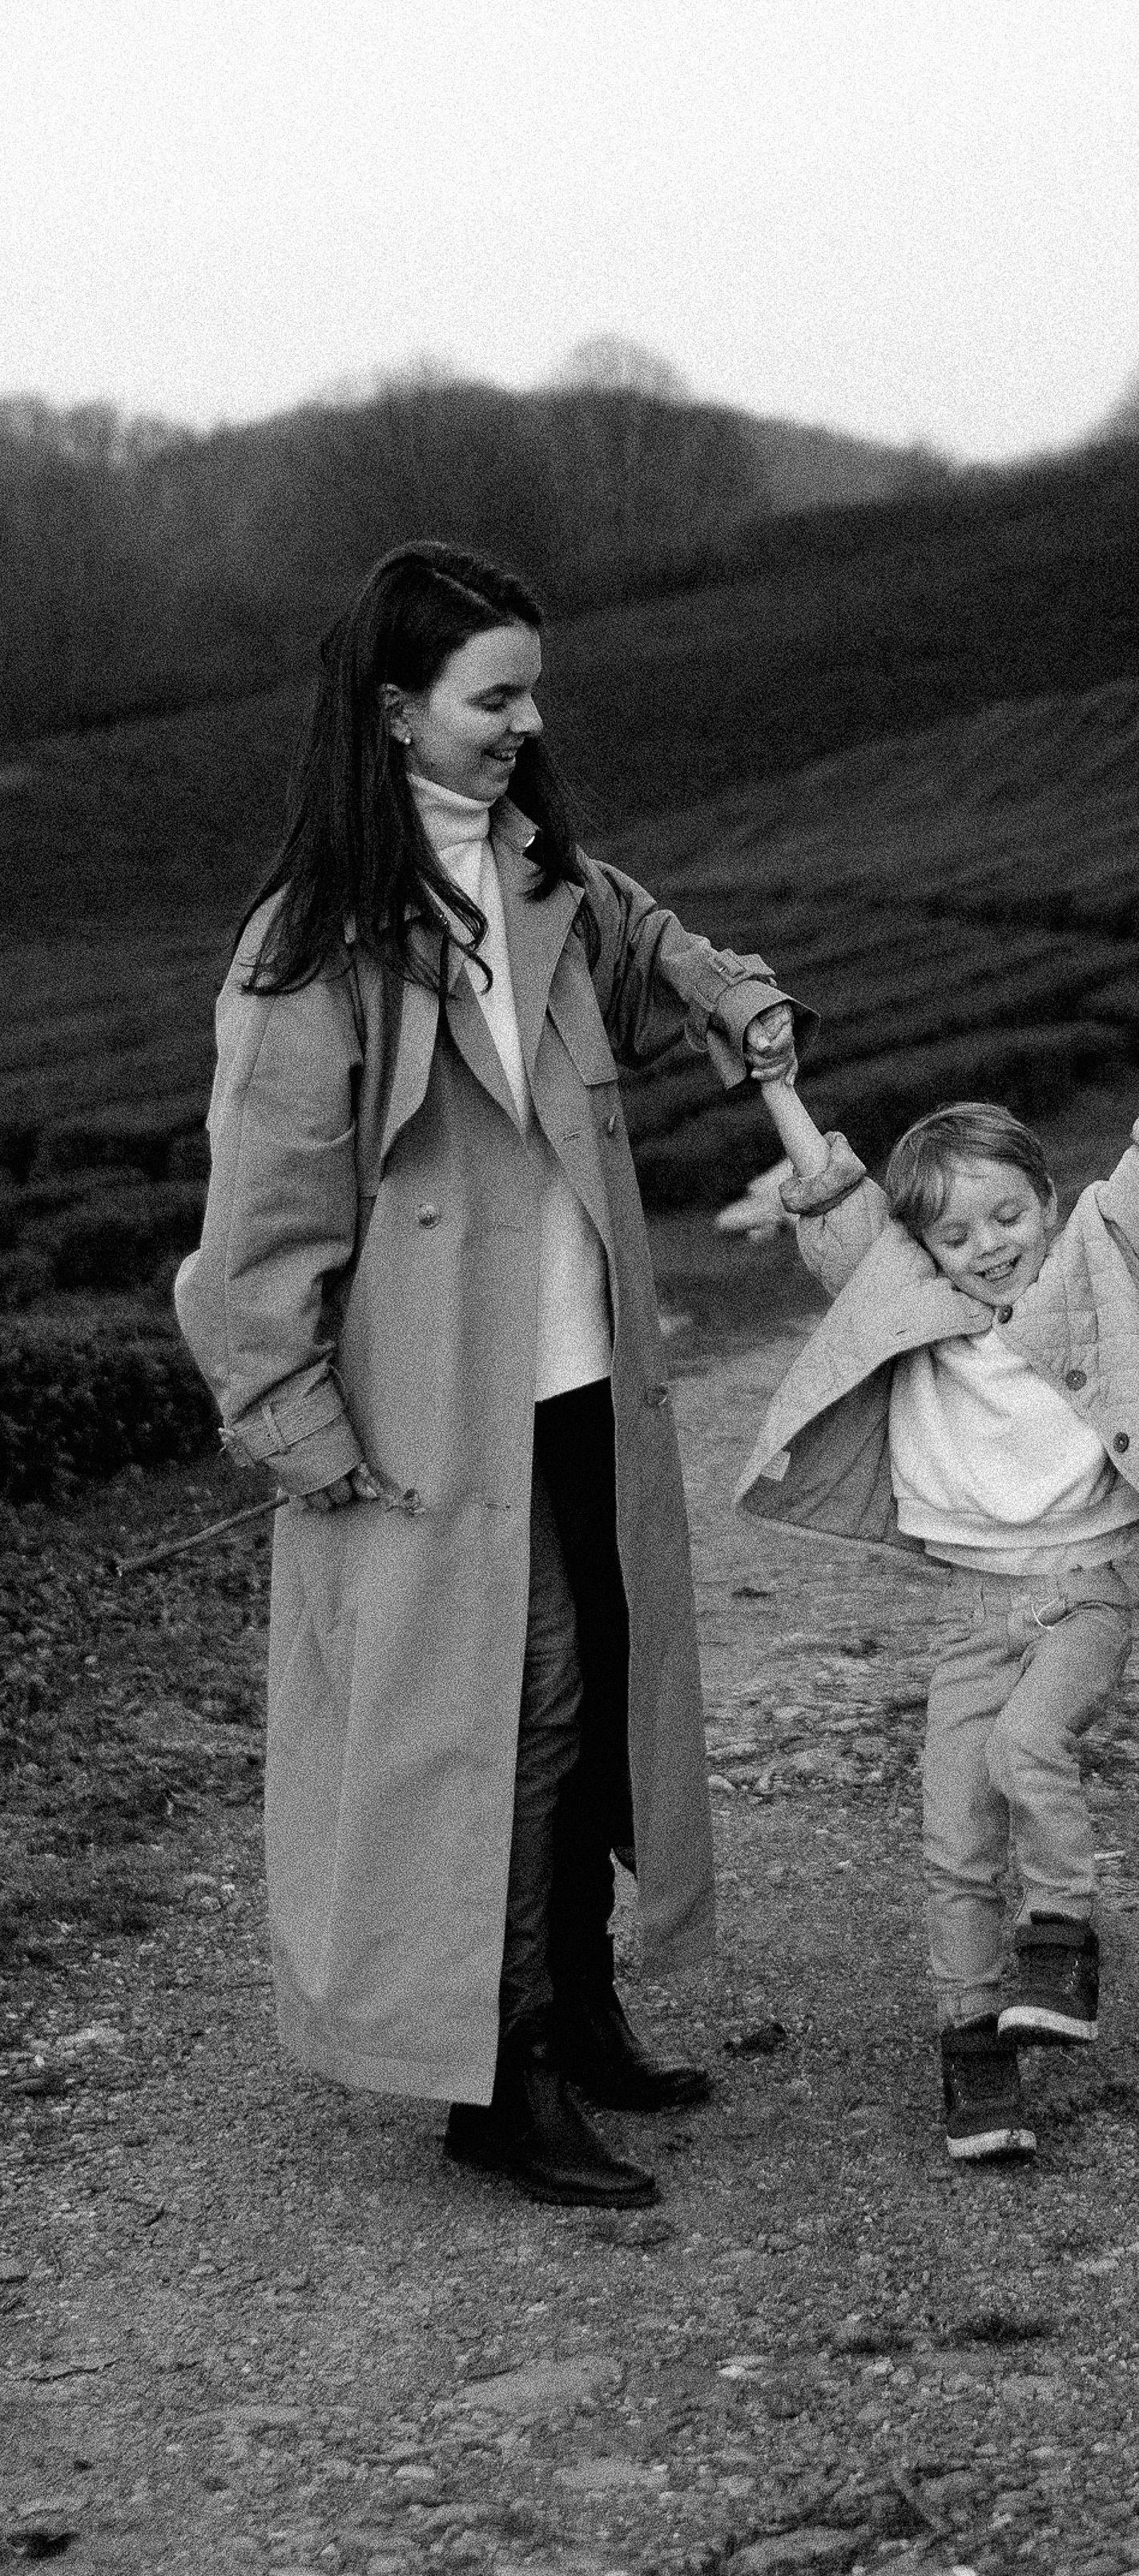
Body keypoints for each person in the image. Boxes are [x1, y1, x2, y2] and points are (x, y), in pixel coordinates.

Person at [175, 540, 808, 2211]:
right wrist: (298, 1428)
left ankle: (581, 2000)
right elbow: (255, 1229)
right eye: (494, 696)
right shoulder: (314, 949)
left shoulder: (537, 877)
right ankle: (496, 2065)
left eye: (535, 689)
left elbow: (642, 929)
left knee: (595, 1674)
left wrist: (729, 995)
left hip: (579, 1364)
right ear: (395, 712)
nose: (528, 722)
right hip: (428, 1412)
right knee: (516, 1702)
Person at [733, 1017, 1139, 2164]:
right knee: (954, 1837)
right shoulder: (903, 1301)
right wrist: (778, 1085)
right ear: (923, 1246)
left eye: (1010, 1215)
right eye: (957, 1233)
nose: (989, 1246)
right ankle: (976, 2056)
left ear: (1050, 1200)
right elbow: (831, 1199)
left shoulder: (1096, 1267)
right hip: (974, 1614)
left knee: (1030, 1749)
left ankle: (1063, 1937)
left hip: (1083, 1594)